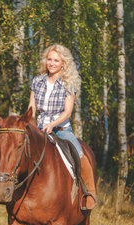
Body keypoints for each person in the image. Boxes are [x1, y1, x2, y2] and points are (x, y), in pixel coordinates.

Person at [28, 44, 96, 210]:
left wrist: (52, 124)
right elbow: (32, 106)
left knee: (80, 155)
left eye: (56, 60)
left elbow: (67, 112)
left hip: (61, 129)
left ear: (63, 63)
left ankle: (89, 194)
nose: (51, 63)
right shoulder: (37, 81)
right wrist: (29, 122)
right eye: (49, 59)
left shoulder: (68, 84)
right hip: (40, 128)